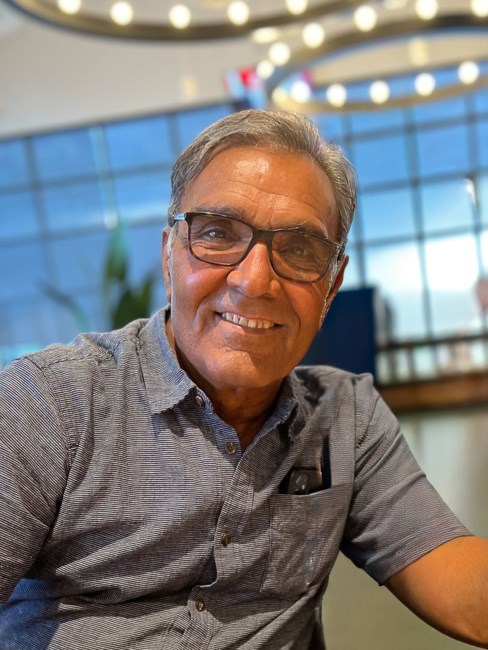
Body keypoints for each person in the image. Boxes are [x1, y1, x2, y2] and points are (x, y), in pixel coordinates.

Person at [0, 109, 487, 650]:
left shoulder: (344, 419)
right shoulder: (49, 404)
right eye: (216, 234)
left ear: (331, 286)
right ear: (169, 255)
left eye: (299, 249)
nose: (254, 281)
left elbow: (454, 576)